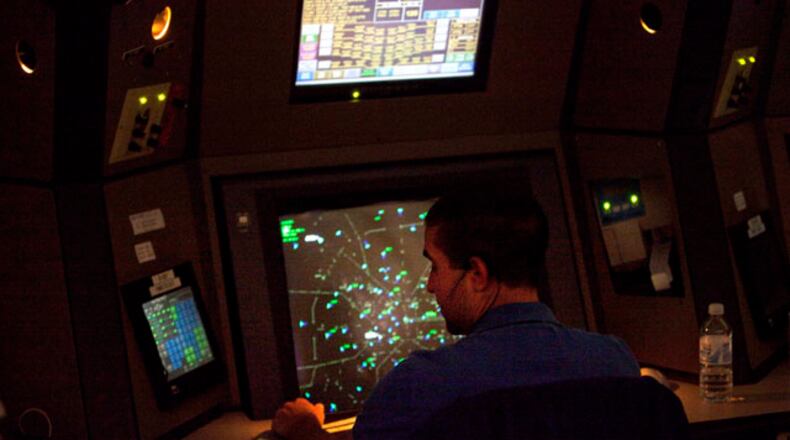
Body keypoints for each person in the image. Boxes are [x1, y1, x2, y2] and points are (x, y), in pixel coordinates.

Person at [272, 191, 640, 440]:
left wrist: (305, 429)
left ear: (477, 274)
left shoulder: (417, 386)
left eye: (435, 267)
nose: (430, 285)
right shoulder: (616, 361)